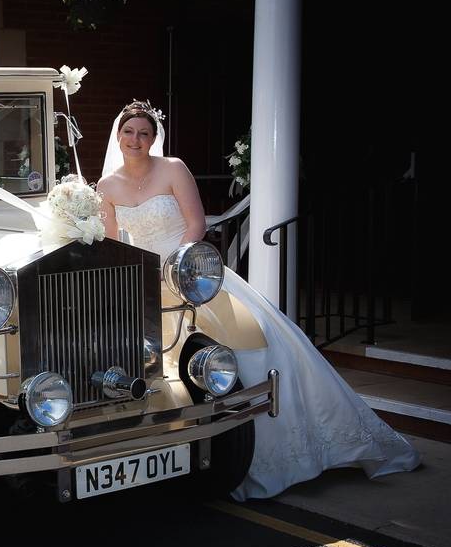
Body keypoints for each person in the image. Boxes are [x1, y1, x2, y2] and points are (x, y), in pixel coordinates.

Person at [98, 100, 420, 500]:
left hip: (191, 273)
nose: (136, 140)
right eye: (129, 132)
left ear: (154, 137)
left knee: (249, 344)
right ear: (118, 136)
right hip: (146, 283)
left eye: (144, 133)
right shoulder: (107, 186)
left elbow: (197, 223)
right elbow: (114, 244)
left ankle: (270, 448)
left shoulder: (174, 168)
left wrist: (176, 268)